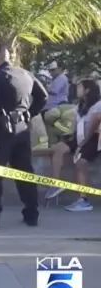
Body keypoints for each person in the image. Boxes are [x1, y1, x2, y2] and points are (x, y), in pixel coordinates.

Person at [0, 44, 47, 229]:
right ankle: (32, 214)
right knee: (24, 173)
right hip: (22, 130)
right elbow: (43, 96)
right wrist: (28, 114)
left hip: (2, 131)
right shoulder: (25, 74)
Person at [45, 79, 101, 211]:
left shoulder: (98, 104)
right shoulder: (79, 106)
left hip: (94, 138)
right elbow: (76, 125)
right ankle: (56, 184)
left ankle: (84, 200)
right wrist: (69, 136)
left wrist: (82, 144)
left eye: (80, 87)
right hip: (79, 136)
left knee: (80, 163)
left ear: (88, 90)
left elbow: (94, 124)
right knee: (59, 148)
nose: (77, 90)